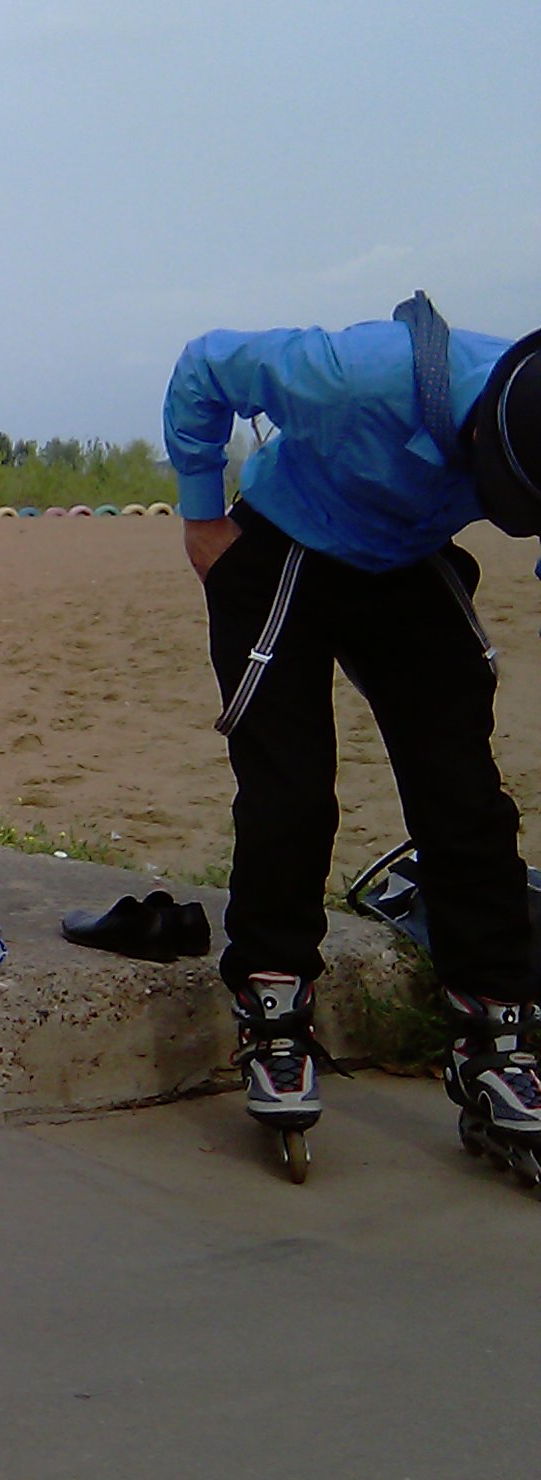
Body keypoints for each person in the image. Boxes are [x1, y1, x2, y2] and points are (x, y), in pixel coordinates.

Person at [162, 303, 541, 1180]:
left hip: (407, 559)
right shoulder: (356, 375)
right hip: (290, 542)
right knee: (291, 792)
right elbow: (203, 367)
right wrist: (201, 515)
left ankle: (497, 1033)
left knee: (465, 798)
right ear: (476, 437)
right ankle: (274, 1007)